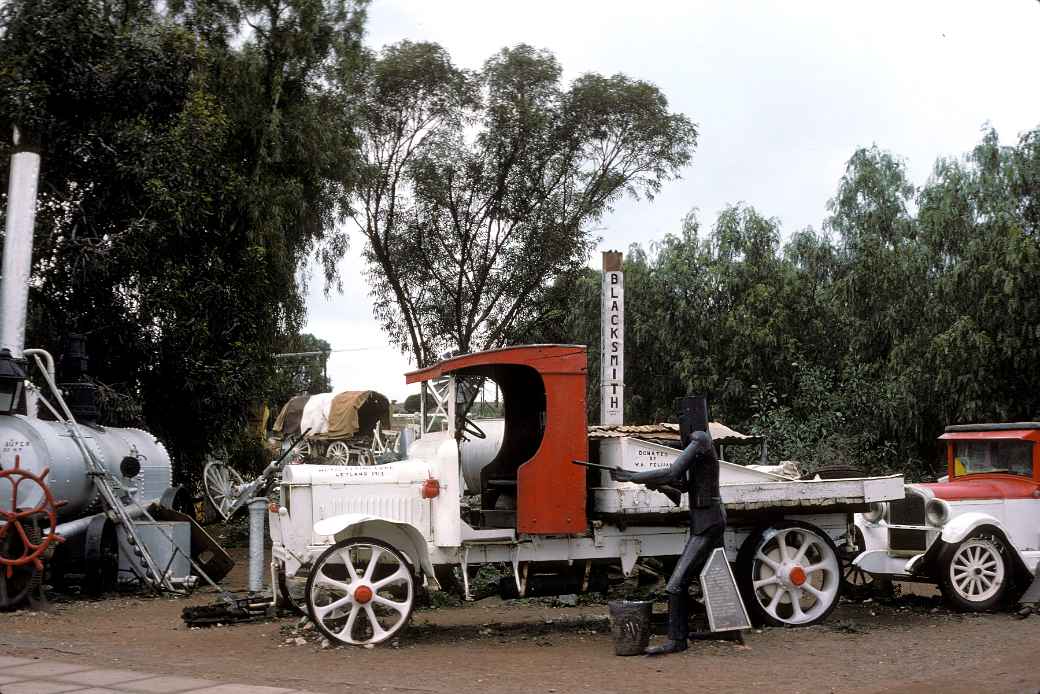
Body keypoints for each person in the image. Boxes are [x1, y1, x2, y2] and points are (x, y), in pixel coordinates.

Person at [611, 428, 725, 655]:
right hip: (707, 520)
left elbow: (672, 473)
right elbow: (684, 487)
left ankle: (677, 640)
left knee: (675, 585)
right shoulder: (701, 443)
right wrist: (656, 483)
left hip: (707, 523)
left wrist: (632, 477)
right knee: (716, 576)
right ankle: (726, 628)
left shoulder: (700, 439)